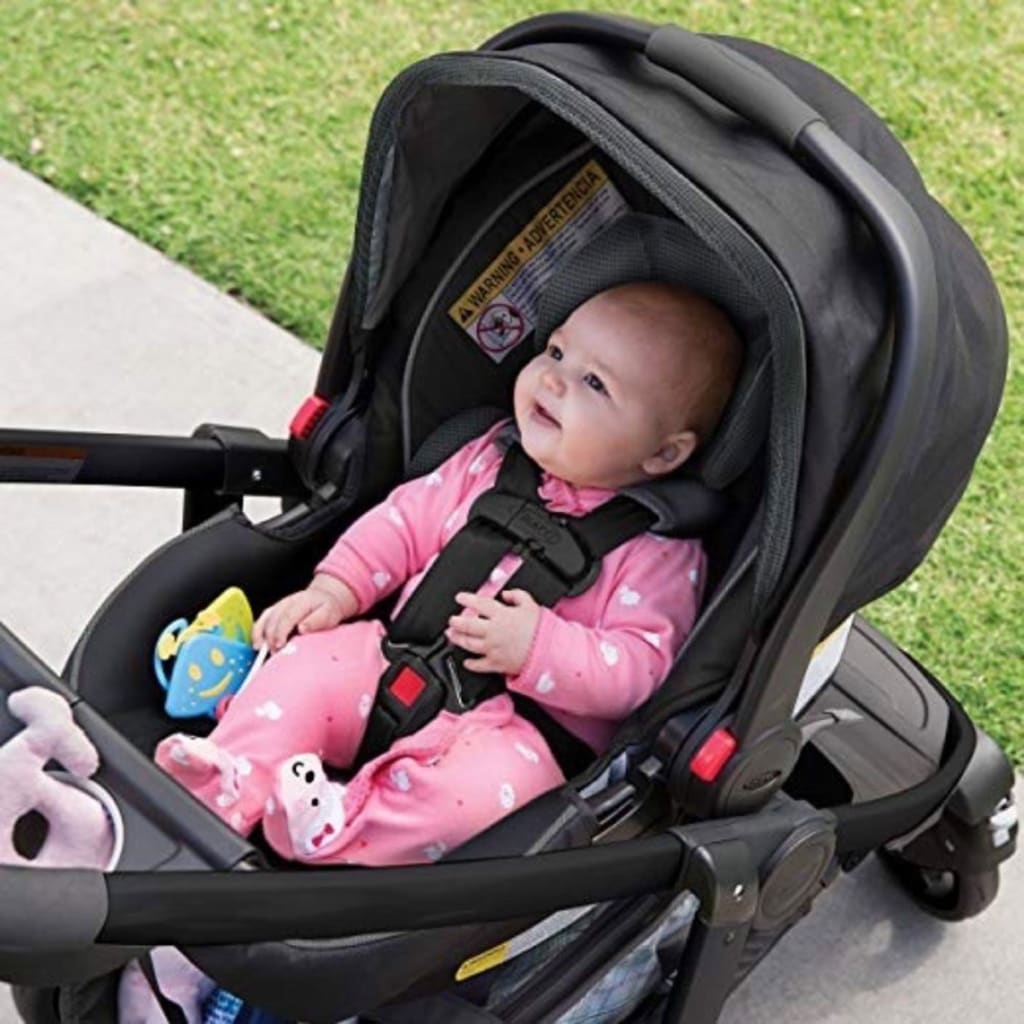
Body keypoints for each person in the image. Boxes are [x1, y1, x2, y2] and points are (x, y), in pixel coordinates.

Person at [154, 281, 742, 868]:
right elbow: (401, 526)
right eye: (557, 351)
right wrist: (335, 589)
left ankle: (339, 829)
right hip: (394, 656)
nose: (553, 379)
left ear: (663, 454)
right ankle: (233, 777)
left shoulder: (660, 552)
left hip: (514, 735)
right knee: (304, 666)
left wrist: (540, 648)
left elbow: (642, 669)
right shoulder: (486, 460)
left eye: (595, 383)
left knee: (477, 802)